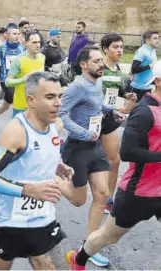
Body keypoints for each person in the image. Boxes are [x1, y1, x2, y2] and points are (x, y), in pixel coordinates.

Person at [0, 71, 75, 270]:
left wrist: (57, 164)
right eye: (50, 97)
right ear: (31, 100)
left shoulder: (55, 124)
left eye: (59, 96)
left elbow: (37, 153)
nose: (58, 103)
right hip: (9, 224)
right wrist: (28, 190)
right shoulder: (17, 131)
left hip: (43, 221)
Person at [67, 61, 161, 271]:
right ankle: (79, 259)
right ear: (158, 81)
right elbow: (127, 152)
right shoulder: (144, 112)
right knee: (108, 237)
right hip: (139, 192)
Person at [59, 45, 127, 268]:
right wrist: (83, 133)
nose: (101, 64)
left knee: (102, 194)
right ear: (83, 65)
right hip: (77, 148)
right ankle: (55, 180)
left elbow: (96, 104)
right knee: (78, 200)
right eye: (96, 61)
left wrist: (110, 110)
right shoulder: (76, 87)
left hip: (95, 146)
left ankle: (87, 247)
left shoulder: (97, 81)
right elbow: (61, 114)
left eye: (101, 60)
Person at [99, 33, 137, 213]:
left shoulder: (119, 71)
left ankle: (108, 199)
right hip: (90, 119)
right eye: (115, 47)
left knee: (114, 161)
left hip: (109, 120)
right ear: (106, 49)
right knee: (81, 162)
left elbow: (119, 91)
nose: (120, 50)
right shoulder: (98, 67)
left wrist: (127, 96)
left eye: (121, 47)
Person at [0, 27, 26, 131]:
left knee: (6, 104)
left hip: (20, 80)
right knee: (15, 100)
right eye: (14, 34)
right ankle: (17, 127)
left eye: (18, 33)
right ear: (8, 35)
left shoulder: (22, 48)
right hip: (6, 80)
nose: (17, 35)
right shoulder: (2, 48)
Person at [5, 30, 45, 116]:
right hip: (21, 107)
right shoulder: (18, 60)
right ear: (26, 44)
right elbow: (7, 82)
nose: (38, 45)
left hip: (37, 106)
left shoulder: (42, 57)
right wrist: (24, 79)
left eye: (39, 42)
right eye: (34, 42)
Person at [129, 30, 159, 101]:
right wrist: (149, 66)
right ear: (147, 40)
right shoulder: (142, 51)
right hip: (139, 88)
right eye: (155, 38)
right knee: (133, 111)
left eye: (158, 38)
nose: (157, 40)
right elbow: (133, 70)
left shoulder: (152, 50)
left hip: (149, 87)